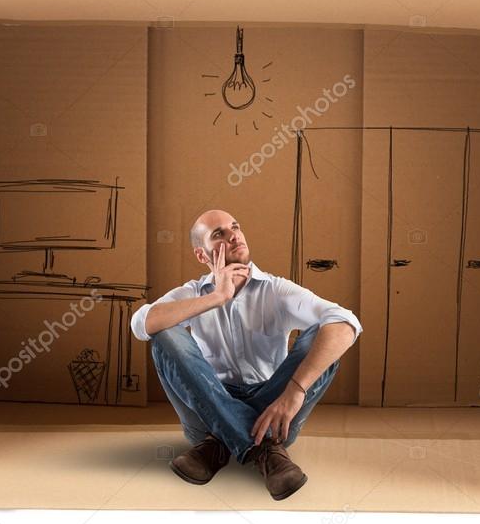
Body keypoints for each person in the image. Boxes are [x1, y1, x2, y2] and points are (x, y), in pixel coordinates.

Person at [130, 209, 362, 500]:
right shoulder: (194, 292)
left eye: (235, 227)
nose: (233, 235)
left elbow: (346, 323)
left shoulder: (277, 289)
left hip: (275, 412)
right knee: (164, 334)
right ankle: (266, 450)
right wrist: (217, 297)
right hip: (207, 408)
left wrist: (295, 391)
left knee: (324, 331)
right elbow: (140, 324)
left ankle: (219, 443)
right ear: (202, 255)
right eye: (219, 235)